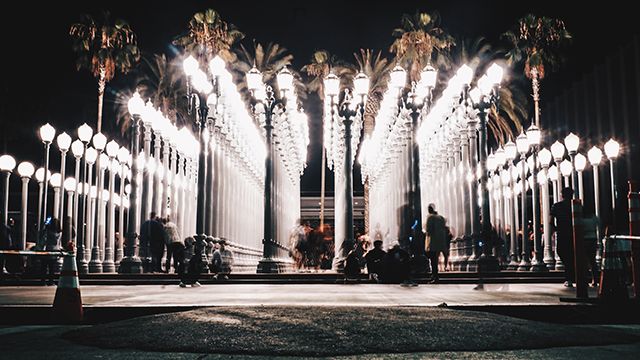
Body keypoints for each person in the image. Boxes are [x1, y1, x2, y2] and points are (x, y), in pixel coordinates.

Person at [551, 187, 575, 287]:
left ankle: (569, 277)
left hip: (562, 232)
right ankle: (572, 276)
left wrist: (555, 229)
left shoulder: (556, 206)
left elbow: (550, 220)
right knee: (572, 255)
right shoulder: (576, 205)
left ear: (562, 195)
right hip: (574, 232)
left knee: (562, 253)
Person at [425, 204, 447, 283]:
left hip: (433, 242)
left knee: (433, 260)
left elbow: (428, 230)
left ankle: (435, 276)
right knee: (436, 258)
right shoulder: (441, 217)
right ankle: (435, 276)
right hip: (440, 242)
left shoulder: (430, 217)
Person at [41, 218, 62, 285]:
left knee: (44, 267)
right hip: (55, 250)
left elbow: (44, 239)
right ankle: (51, 281)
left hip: (47, 249)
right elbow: (58, 242)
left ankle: (43, 281)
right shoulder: (59, 233)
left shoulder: (48, 231)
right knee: (51, 268)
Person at [581, 210, 600, 287]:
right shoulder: (594, 218)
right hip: (593, 238)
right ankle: (595, 279)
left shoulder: (581, 219)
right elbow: (600, 225)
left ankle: (585, 280)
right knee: (592, 261)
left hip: (584, 239)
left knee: (584, 261)